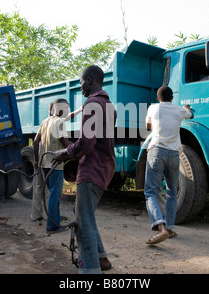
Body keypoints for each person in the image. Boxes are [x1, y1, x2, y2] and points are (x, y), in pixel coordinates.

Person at [52, 65, 115, 274]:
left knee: (82, 222)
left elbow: (87, 144)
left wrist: (65, 152)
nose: (79, 87)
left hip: (91, 169)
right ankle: (102, 259)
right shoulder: (108, 104)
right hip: (104, 167)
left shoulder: (92, 104)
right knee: (87, 216)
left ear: (88, 80)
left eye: (80, 82)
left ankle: (89, 269)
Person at [144, 86, 193, 245]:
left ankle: (161, 228)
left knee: (151, 191)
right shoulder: (179, 110)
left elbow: (148, 127)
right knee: (172, 192)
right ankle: (170, 228)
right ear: (172, 98)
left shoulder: (153, 107)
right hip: (174, 154)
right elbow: (190, 114)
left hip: (157, 151)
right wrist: (186, 108)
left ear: (158, 98)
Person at [34, 99, 79, 234]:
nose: (67, 112)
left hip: (44, 163)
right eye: (66, 109)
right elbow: (65, 142)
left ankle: (54, 218)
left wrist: (36, 161)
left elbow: (36, 142)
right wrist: (79, 148)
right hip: (55, 165)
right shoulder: (59, 122)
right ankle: (52, 226)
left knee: (52, 193)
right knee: (55, 195)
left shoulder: (45, 121)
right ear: (60, 109)